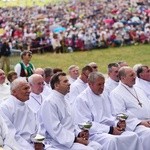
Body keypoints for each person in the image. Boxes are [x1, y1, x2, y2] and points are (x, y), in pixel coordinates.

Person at [73, 72, 143, 150]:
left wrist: (118, 124)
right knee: (112, 140)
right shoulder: (82, 99)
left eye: (103, 84)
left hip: (112, 128)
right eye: (99, 84)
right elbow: (85, 123)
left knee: (133, 136)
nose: (102, 87)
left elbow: (113, 114)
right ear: (90, 84)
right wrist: (109, 130)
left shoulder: (105, 94)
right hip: (95, 133)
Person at [39, 72, 102, 150]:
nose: (69, 84)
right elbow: (55, 129)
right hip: (57, 143)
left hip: (70, 139)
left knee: (97, 146)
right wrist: (75, 139)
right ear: (56, 85)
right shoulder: (49, 102)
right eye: (65, 82)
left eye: (68, 81)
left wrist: (79, 133)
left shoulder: (65, 99)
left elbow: (70, 124)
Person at [0, 78, 56, 150]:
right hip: (18, 146)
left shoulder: (27, 105)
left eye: (29, 88)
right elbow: (10, 134)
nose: (29, 91)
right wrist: (30, 148)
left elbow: (37, 128)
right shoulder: (5, 107)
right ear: (14, 92)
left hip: (34, 144)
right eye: (25, 88)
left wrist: (39, 142)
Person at [110, 66, 150, 150]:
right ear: (123, 78)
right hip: (135, 125)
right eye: (131, 75)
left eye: (134, 74)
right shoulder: (116, 93)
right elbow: (120, 114)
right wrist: (140, 122)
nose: (135, 77)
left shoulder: (138, 89)